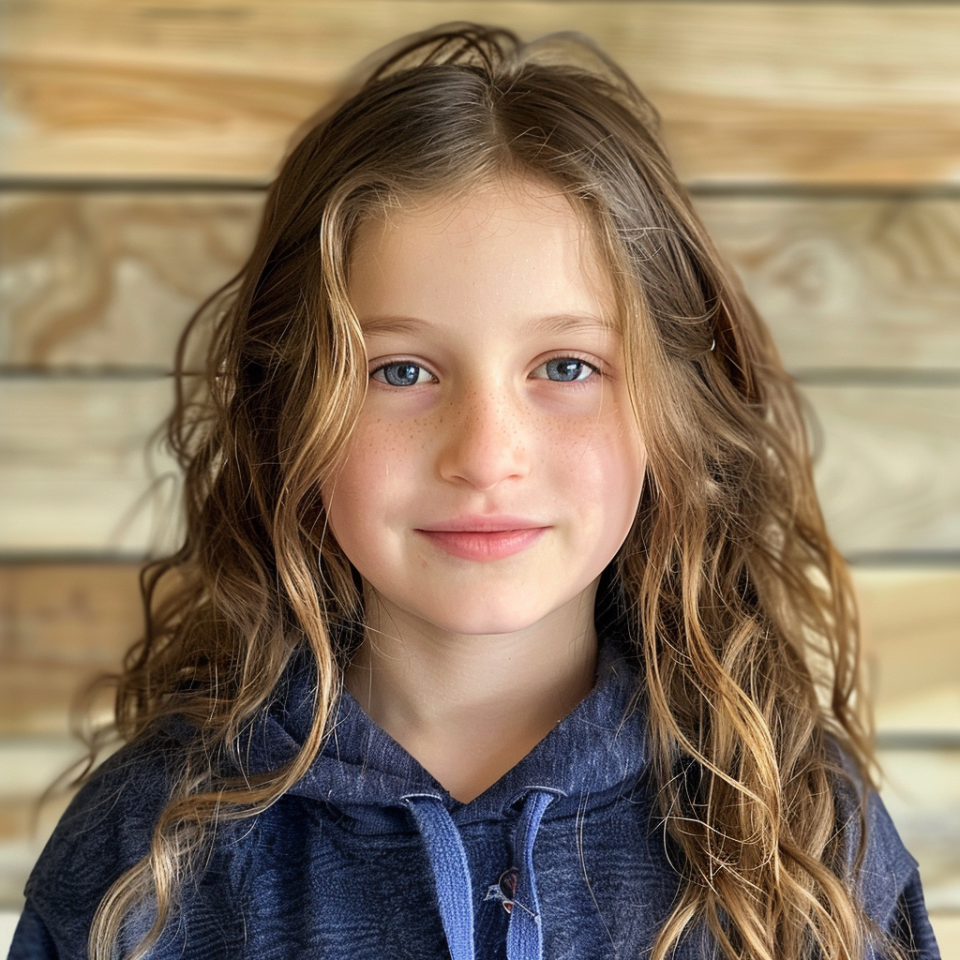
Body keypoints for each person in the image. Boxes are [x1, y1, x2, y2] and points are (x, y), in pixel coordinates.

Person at [9, 23, 941, 960]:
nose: (487, 455)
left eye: (566, 365)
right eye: (403, 372)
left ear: (675, 407)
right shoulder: (148, 856)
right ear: (286, 408)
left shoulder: (806, 841)